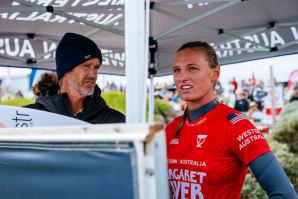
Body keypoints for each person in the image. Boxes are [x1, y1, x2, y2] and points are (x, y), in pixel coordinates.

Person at [166, 41, 298, 198]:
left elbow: (285, 194)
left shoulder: (237, 126)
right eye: (176, 70)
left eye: (192, 68)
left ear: (215, 74)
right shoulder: (171, 129)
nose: (182, 77)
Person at [25, 32, 125, 124]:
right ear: (66, 70)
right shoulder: (29, 117)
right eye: (86, 66)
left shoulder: (117, 122)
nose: (93, 74)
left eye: (96, 67)